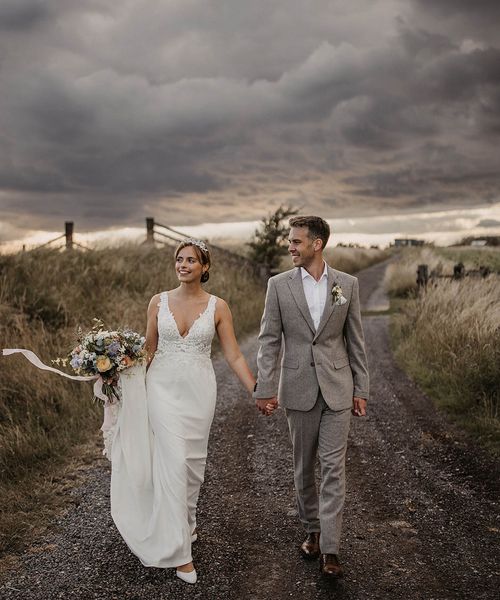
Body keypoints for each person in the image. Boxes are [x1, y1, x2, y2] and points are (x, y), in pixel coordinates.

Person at [110, 239, 255, 585]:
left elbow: (233, 355)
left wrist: (256, 389)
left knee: (192, 464)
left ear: (204, 268)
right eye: (179, 259)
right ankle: (181, 556)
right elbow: (149, 349)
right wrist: (116, 373)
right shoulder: (157, 302)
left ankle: (186, 523)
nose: (183, 265)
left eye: (191, 260)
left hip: (199, 392)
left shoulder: (219, 307)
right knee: (173, 461)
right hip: (161, 389)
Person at [253, 215, 369, 578]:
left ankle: (331, 550)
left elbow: (356, 340)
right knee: (304, 468)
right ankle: (312, 530)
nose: (290, 246)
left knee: (334, 468)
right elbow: (269, 339)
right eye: (290, 241)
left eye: (297, 241)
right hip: (298, 388)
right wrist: (265, 388)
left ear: (316, 244)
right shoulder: (279, 285)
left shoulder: (347, 284)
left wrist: (361, 387)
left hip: (338, 389)